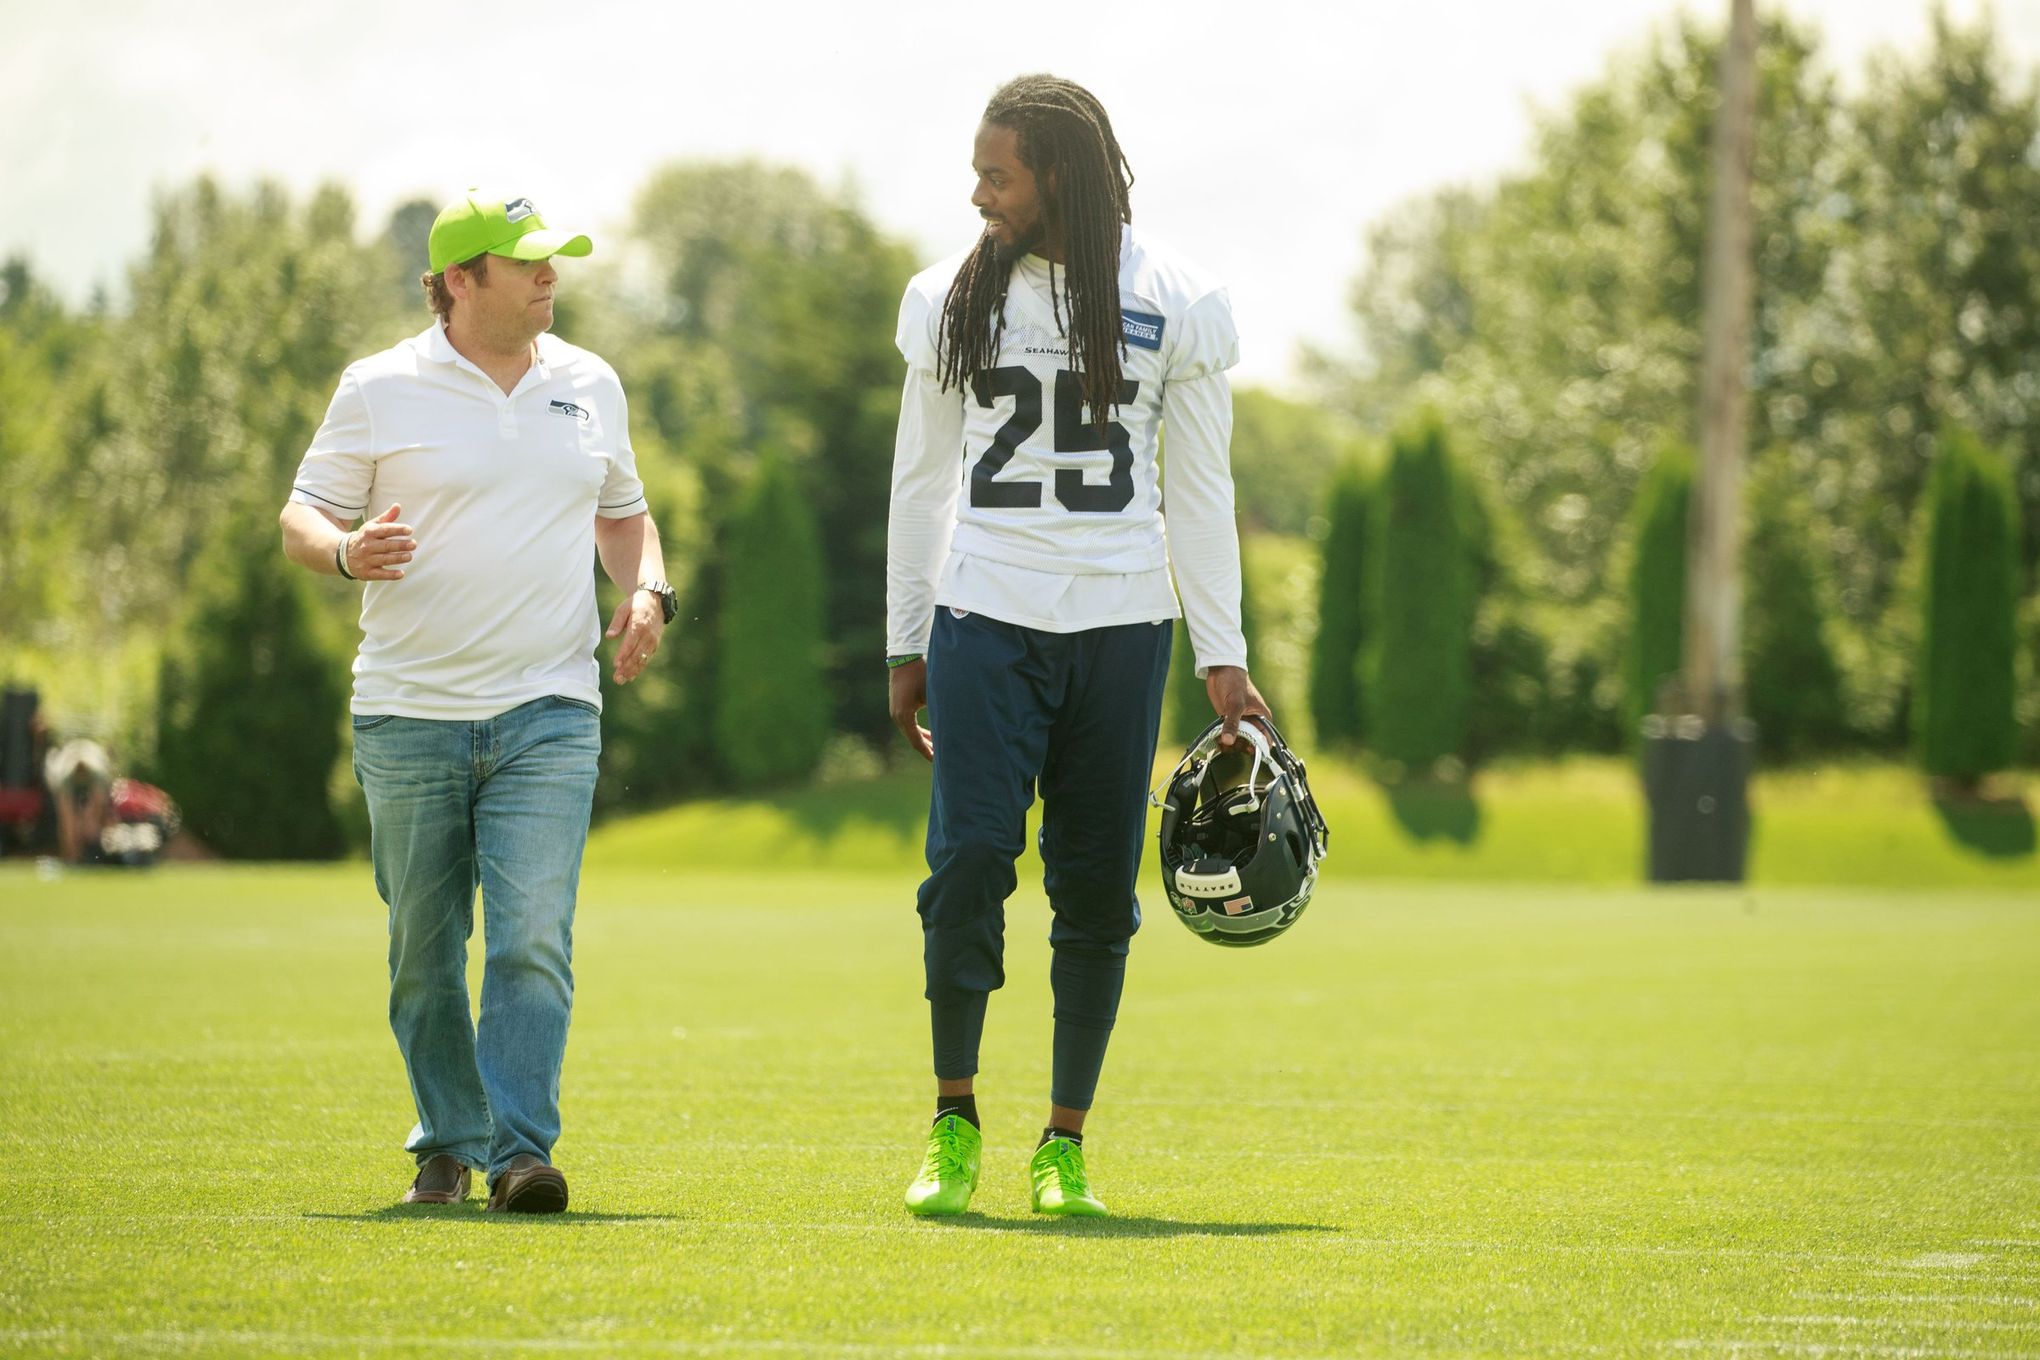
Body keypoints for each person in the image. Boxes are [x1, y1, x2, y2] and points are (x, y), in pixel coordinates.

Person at [885, 74, 1272, 1217]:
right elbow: (920, 481)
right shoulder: (948, 296)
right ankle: (954, 1119)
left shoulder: (1177, 299)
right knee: (965, 863)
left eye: (996, 174)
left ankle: (1066, 1144)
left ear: (1055, 174)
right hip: (985, 615)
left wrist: (1225, 653)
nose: (977, 195)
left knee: (1097, 893)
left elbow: (1200, 494)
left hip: (1119, 625)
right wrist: (905, 638)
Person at [279, 190, 678, 1213]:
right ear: (460, 280)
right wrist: (343, 551)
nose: (552, 276)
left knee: (532, 936)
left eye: (555, 260)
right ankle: (446, 1142)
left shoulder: (591, 382)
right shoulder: (378, 387)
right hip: (408, 714)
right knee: (422, 953)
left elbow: (625, 517)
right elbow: (302, 514)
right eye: (527, 262)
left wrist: (647, 591)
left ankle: (518, 1153)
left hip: (550, 707)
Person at [44, 737, 112, 865]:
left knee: (92, 825)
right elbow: (65, 816)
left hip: (94, 774)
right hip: (63, 775)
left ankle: (95, 855)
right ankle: (71, 857)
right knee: (69, 824)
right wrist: (74, 832)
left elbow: (98, 804)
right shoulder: (63, 777)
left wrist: (90, 821)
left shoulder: (98, 773)